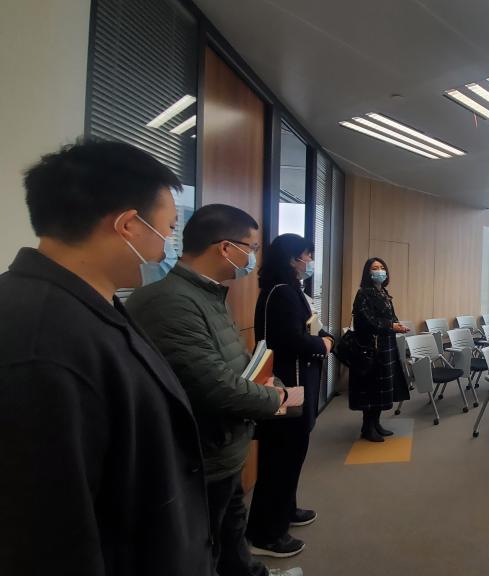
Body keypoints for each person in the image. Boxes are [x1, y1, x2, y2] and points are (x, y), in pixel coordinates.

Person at [0, 140, 211, 574]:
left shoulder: (88, 302)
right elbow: (47, 538)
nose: (167, 247)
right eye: (168, 229)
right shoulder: (39, 344)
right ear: (129, 225)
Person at [127, 204, 304, 576]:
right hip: (199, 455)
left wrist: (269, 382)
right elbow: (214, 385)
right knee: (206, 544)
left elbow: (234, 360)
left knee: (231, 533)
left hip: (225, 447)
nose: (253, 257)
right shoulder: (170, 301)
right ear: (226, 248)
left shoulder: (207, 294)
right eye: (251, 247)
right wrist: (279, 398)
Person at [247, 234, 334, 557]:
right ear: (290, 258)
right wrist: (322, 344)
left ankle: (285, 510)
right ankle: (266, 534)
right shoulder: (281, 292)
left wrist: (324, 336)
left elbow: (310, 326)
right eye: (306, 255)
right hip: (288, 388)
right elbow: (290, 340)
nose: (309, 261)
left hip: (296, 384)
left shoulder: (290, 290)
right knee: (280, 459)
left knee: (290, 456)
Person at [350, 257, 410, 442]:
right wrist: (391, 326)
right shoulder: (363, 293)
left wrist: (397, 324)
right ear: (368, 273)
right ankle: (367, 427)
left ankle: (376, 424)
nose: (379, 271)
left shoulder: (383, 292)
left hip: (385, 346)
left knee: (382, 388)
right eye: (375, 268)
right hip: (371, 348)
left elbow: (390, 316)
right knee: (371, 388)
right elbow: (366, 321)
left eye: (382, 267)